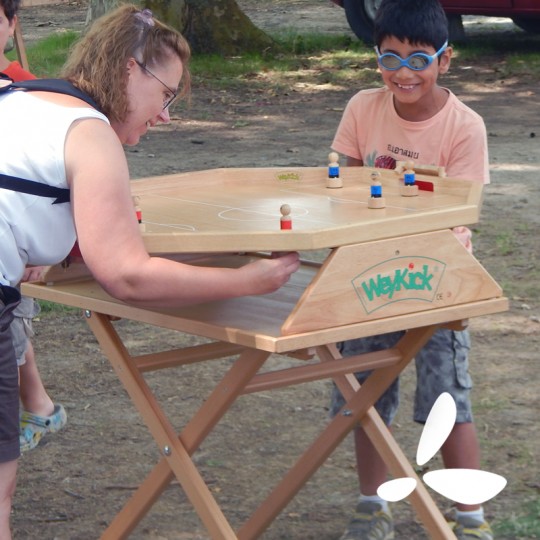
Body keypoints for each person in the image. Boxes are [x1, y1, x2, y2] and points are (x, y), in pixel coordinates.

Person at [0, 5, 300, 538]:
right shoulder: (89, 133)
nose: (166, 116)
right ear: (128, 69)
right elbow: (127, 275)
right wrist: (247, 281)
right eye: (166, 95)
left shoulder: (15, 97)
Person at [330, 1, 492, 539]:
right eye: (390, 58)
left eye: (419, 59)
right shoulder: (361, 108)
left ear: (445, 60)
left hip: (438, 277)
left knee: (448, 395)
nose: (403, 73)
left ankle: (469, 517)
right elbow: (342, 189)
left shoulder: (465, 127)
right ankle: (371, 506)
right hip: (367, 272)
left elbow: (457, 213)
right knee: (364, 391)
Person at [1, 0, 68, 454]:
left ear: (11, 24)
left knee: (12, 331)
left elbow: (72, 182)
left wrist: (51, 255)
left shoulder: (31, 91)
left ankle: (38, 409)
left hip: (16, 252)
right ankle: (38, 406)